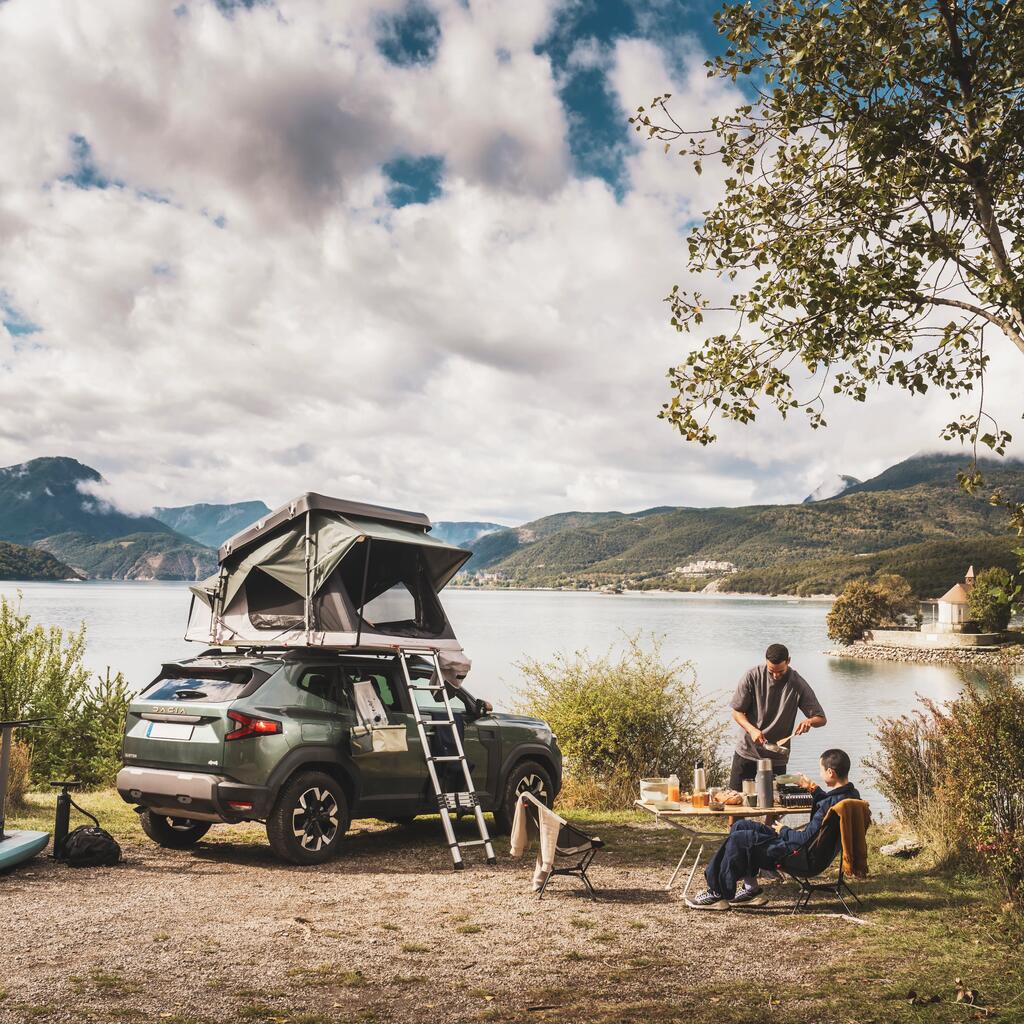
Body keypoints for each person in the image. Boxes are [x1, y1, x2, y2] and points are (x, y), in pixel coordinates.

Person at [686, 748, 860, 910]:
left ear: (831, 772)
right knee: (741, 825)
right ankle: (751, 891)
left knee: (741, 838)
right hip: (810, 852)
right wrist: (812, 788)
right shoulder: (851, 796)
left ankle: (717, 893)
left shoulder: (831, 805)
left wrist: (783, 830)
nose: (820, 773)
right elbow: (824, 809)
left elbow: (804, 838)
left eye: (821, 769)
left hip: (802, 857)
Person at [728, 643, 827, 794]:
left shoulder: (798, 684)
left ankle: (770, 820)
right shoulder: (752, 676)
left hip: (777, 755)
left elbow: (821, 719)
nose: (775, 675)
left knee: (774, 804)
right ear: (765, 661)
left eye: (780, 671)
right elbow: (737, 712)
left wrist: (809, 721)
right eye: (771, 671)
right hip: (747, 750)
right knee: (735, 800)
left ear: (789, 661)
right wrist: (752, 730)